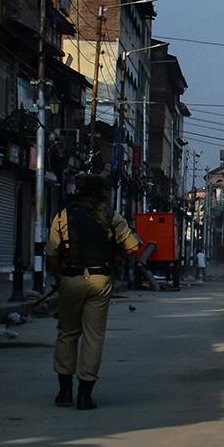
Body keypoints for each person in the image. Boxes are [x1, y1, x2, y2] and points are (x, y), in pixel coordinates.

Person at [47, 174, 143, 410]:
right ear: (101, 193)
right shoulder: (111, 217)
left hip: (70, 278)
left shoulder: (63, 216)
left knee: (67, 333)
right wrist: (116, 256)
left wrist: (60, 279)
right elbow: (133, 247)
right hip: (100, 280)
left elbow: (52, 255)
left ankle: (65, 391)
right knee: (93, 336)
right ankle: (85, 394)